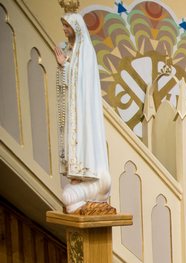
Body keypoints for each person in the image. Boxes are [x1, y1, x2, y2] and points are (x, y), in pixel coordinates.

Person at [55, 11, 114, 215]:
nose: (64, 29)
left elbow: (82, 79)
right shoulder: (71, 50)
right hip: (74, 107)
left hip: (83, 108)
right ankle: (77, 176)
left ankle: (86, 174)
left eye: (67, 26)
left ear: (76, 28)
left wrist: (65, 64)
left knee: (83, 137)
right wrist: (63, 65)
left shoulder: (86, 50)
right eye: (63, 26)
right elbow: (68, 80)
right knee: (68, 196)